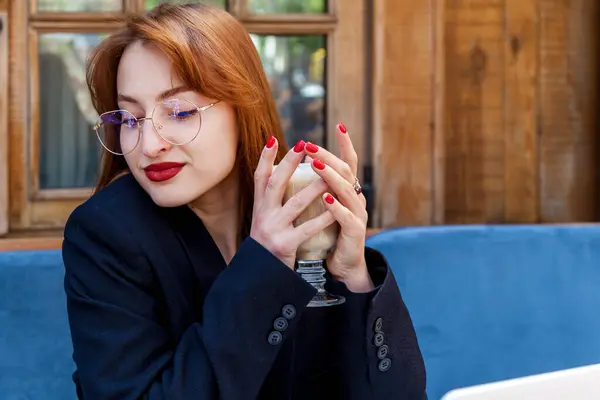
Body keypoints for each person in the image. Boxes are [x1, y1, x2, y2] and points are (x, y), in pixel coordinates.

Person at [61, 3, 426, 400]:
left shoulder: (299, 204)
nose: (149, 145)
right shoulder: (106, 234)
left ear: (242, 105)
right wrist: (263, 265)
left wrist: (354, 275)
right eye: (130, 120)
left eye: (180, 112)